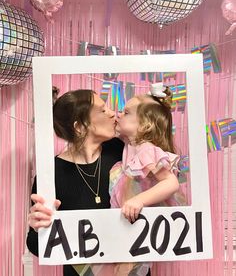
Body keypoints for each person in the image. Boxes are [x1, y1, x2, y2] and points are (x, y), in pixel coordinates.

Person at [26, 88, 152, 276]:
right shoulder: (50, 175)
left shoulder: (123, 151)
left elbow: (161, 164)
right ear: (80, 126)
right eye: (103, 110)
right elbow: (37, 247)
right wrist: (37, 227)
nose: (112, 113)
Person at [107, 82, 182, 276]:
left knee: (132, 266)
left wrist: (138, 200)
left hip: (139, 220)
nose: (118, 114)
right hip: (127, 223)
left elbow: (171, 182)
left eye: (126, 112)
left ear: (144, 125)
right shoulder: (130, 144)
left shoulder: (146, 150)